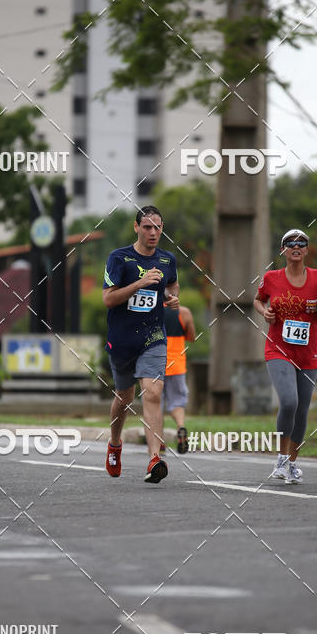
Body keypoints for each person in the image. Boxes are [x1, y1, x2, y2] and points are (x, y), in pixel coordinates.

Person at [102, 205, 179, 483]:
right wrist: (140, 283)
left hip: (153, 337)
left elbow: (172, 285)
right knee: (123, 398)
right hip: (122, 339)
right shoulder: (119, 258)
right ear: (136, 228)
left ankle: (154, 458)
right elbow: (108, 299)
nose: (153, 232)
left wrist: (172, 298)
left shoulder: (168, 260)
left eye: (158, 227)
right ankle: (114, 443)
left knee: (153, 390)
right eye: (147, 227)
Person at [253, 229, 317, 485]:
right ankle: (280, 458)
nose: (296, 246)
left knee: (302, 409)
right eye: (290, 243)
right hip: (278, 349)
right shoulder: (271, 278)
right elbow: (257, 300)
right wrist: (265, 312)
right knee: (289, 402)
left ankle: (292, 463)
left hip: (309, 353)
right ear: (282, 250)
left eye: (301, 243)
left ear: (306, 250)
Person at [162, 304, 196, 454]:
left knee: (155, 406)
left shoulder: (152, 310)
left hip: (156, 364)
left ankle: (159, 443)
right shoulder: (184, 312)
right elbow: (192, 337)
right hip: (177, 364)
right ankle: (181, 427)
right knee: (177, 402)